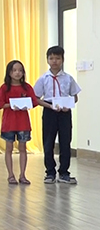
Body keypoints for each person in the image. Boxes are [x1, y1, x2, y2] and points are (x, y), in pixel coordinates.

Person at [34, 46, 81, 184]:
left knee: (65, 142)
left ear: (62, 60)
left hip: (65, 113)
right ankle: (50, 172)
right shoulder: (43, 78)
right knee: (48, 142)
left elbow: (75, 97)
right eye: (51, 58)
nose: (54, 61)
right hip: (49, 111)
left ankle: (64, 173)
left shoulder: (68, 78)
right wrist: (50, 106)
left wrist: (68, 105)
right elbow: (36, 98)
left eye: (57, 58)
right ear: (47, 60)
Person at [0, 60, 38, 185]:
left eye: (20, 70)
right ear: (9, 72)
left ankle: (23, 175)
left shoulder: (27, 87)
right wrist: (12, 105)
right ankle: (10, 175)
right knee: (9, 148)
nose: (17, 73)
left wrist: (26, 105)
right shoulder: (4, 88)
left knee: (23, 148)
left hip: (23, 123)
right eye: (14, 70)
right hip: (9, 122)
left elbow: (34, 102)